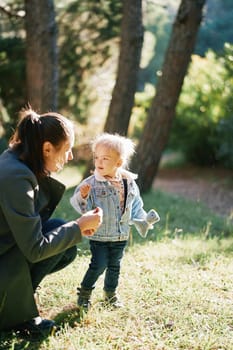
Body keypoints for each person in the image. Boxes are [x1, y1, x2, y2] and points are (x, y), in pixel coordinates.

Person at [0, 107, 103, 335]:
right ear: (47, 148)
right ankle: (15, 318)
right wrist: (78, 226)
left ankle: (21, 299)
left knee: (61, 239)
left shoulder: (16, 159)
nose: (71, 157)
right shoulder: (16, 176)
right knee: (61, 235)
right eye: (66, 150)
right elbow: (35, 249)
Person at [70, 133, 159, 310]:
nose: (99, 162)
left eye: (105, 158)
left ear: (118, 163)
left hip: (120, 235)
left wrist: (144, 219)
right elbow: (80, 205)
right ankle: (85, 293)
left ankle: (110, 294)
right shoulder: (92, 184)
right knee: (98, 264)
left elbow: (135, 205)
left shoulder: (129, 183)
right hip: (100, 235)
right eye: (97, 158)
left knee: (114, 267)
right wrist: (84, 196)